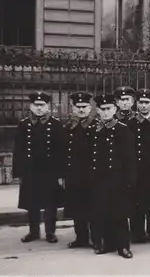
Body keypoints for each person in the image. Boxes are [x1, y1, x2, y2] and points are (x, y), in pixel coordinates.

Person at [13, 91, 65, 243]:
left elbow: (61, 151)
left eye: (42, 105)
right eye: (36, 105)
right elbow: (18, 150)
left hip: (50, 171)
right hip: (30, 171)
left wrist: (60, 173)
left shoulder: (55, 125)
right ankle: (33, 232)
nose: (39, 108)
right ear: (31, 106)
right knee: (32, 202)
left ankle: (50, 232)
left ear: (48, 106)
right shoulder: (24, 125)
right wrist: (18, 172)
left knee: (50, 203)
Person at [91, 94, 136, 258]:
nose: (105, 112)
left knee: (120, 215)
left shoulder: (122, 129)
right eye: (102, 109)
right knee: (102, 213)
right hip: (99, 179)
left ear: (115, 109)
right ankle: (106, 243)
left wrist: (129, 181)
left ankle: (123, 246)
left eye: (108, 109)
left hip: (117, 179)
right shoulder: (95, 130)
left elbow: (130, 158)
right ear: (97, 111)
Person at [127, 89, 150, 243]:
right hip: (137, 169)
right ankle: (137, 233)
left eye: (146, 103)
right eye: (141, 103)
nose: (143, 106)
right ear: (136, 104)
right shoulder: (130, 123)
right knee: (137, 202)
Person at [64, 92, 99, 249]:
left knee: (93, 208)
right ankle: (81, 238)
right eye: (78, 107)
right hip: (73, 174)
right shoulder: (68, 126)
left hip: (91, 174)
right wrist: (63, 174)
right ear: (73, 108)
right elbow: (62, 152)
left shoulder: (96, 126)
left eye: (84, 106)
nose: (81, 110)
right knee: (77, 207)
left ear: (90, 107)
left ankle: (96, 239)